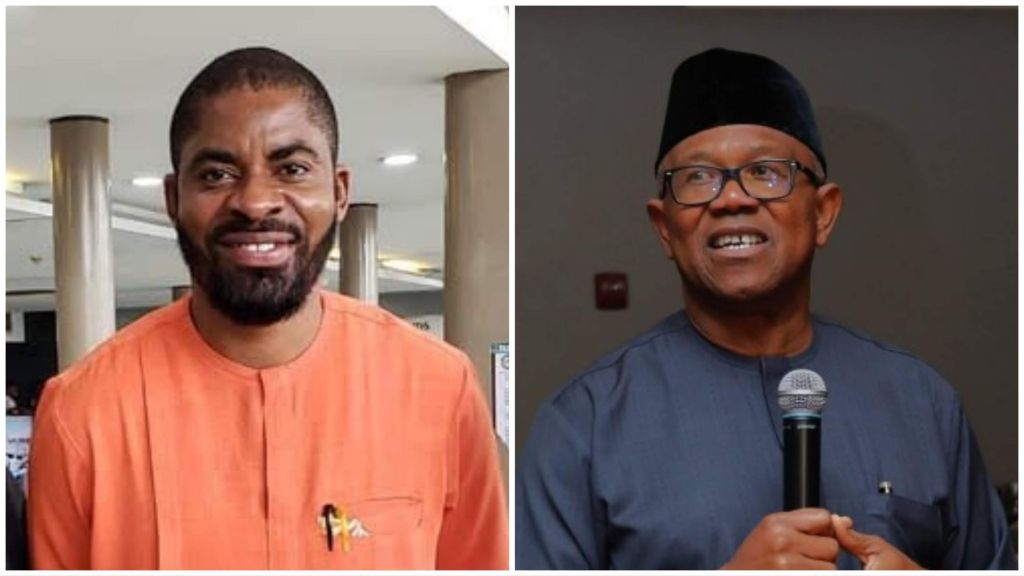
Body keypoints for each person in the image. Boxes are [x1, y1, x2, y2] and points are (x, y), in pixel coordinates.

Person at [516, 48, 1014, 570]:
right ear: (664, 228)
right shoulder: (584, 427)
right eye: (697, 177)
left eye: (766, 172)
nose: (731, 199)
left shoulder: (923, 404)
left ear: (824, 213)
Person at [28, 47, 507, 570]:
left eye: (293, 168)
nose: (255, 202)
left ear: (340, 192)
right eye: (216, 175)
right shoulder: (84, 411)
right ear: (172, 199)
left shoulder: (439, 386)